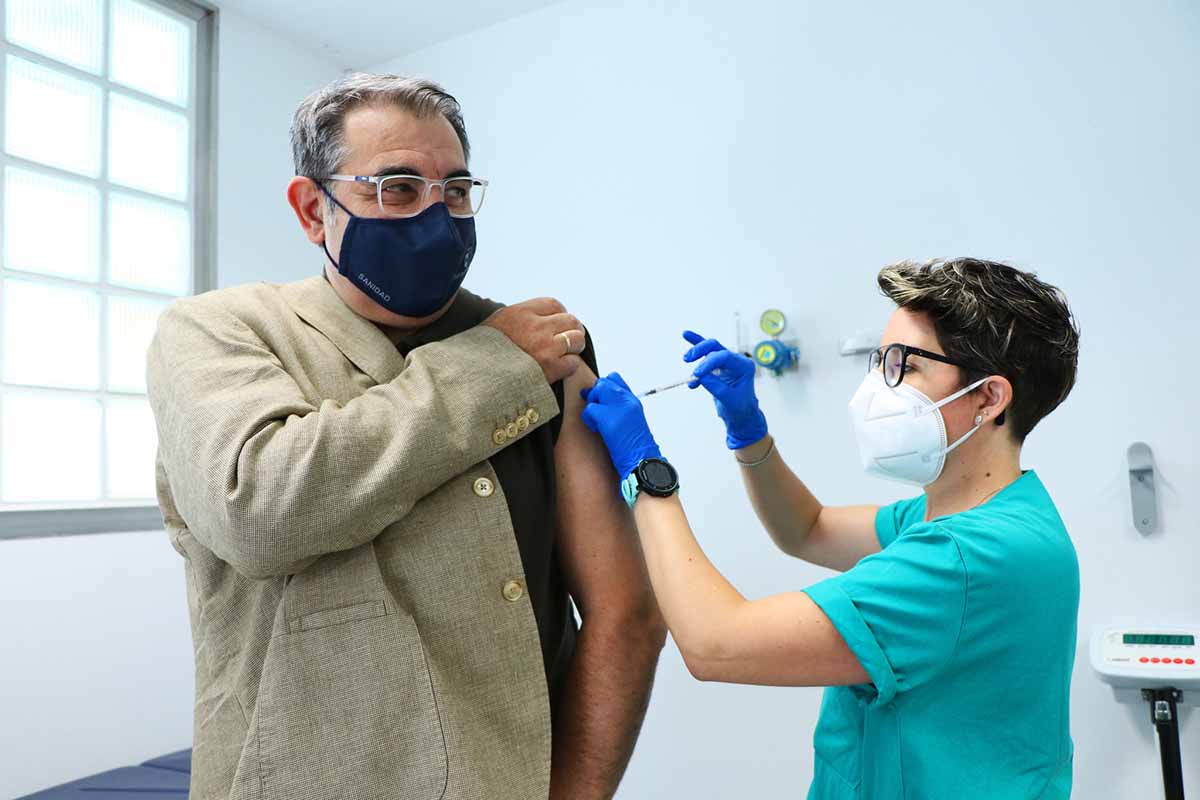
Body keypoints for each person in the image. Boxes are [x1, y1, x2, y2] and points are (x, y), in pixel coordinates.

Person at [146, 73, 664, 800]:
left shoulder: (549, 353)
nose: (433, 216)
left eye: (454, 191)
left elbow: (626, 613)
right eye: (395, 187)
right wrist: (490, 364)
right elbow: (257, 508)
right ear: (310, 209)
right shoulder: (219, 331)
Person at [579, 258, 1081, 799]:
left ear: (988, 398)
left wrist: (643, 468)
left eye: (904, 367)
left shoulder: (964, 558)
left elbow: (713, 643)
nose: (877, 387)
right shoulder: (990, 515)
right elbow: (808, 529)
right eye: (879, 361)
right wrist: (747, 430)